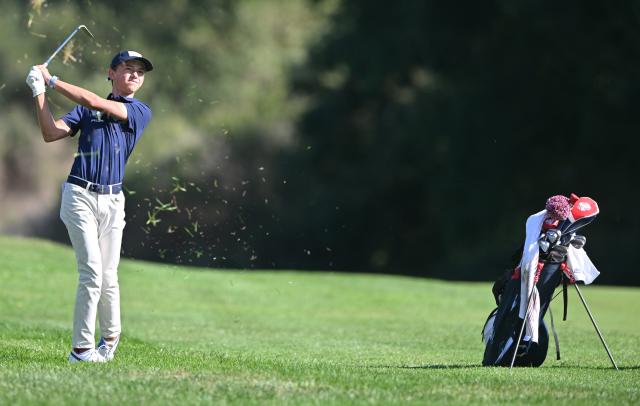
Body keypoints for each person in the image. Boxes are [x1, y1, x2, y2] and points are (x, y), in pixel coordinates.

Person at [26, 51, 153, 363]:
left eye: (140, 71)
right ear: (110, 72)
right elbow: (50, 133)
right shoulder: (85, 111)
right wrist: (39, 93)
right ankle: (81, 351)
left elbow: (97, 103)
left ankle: (109, 340)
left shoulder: (139, 111)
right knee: (92, 272)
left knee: (109, 275)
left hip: (113, 201)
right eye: (128, 69)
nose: (135, 75)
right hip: (79, 196)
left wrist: (52, 81)